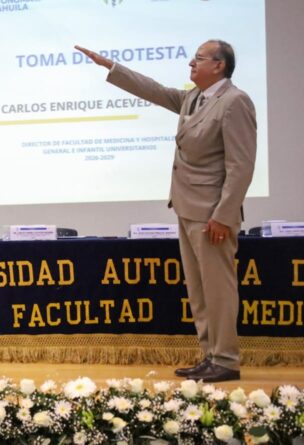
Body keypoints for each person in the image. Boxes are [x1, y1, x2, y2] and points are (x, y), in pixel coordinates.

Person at [76, 40, 256, 382]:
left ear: (219, 65)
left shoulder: (234, 101)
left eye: (199, 58)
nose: (191, 63)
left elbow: (241, 165)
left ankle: (227, 359)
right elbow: (155, 91)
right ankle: (210, 356)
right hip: (187, 207)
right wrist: (111, 67)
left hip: (212, 215)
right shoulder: (193, 97)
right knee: (199, 290)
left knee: (218, 289)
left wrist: (224, 214)